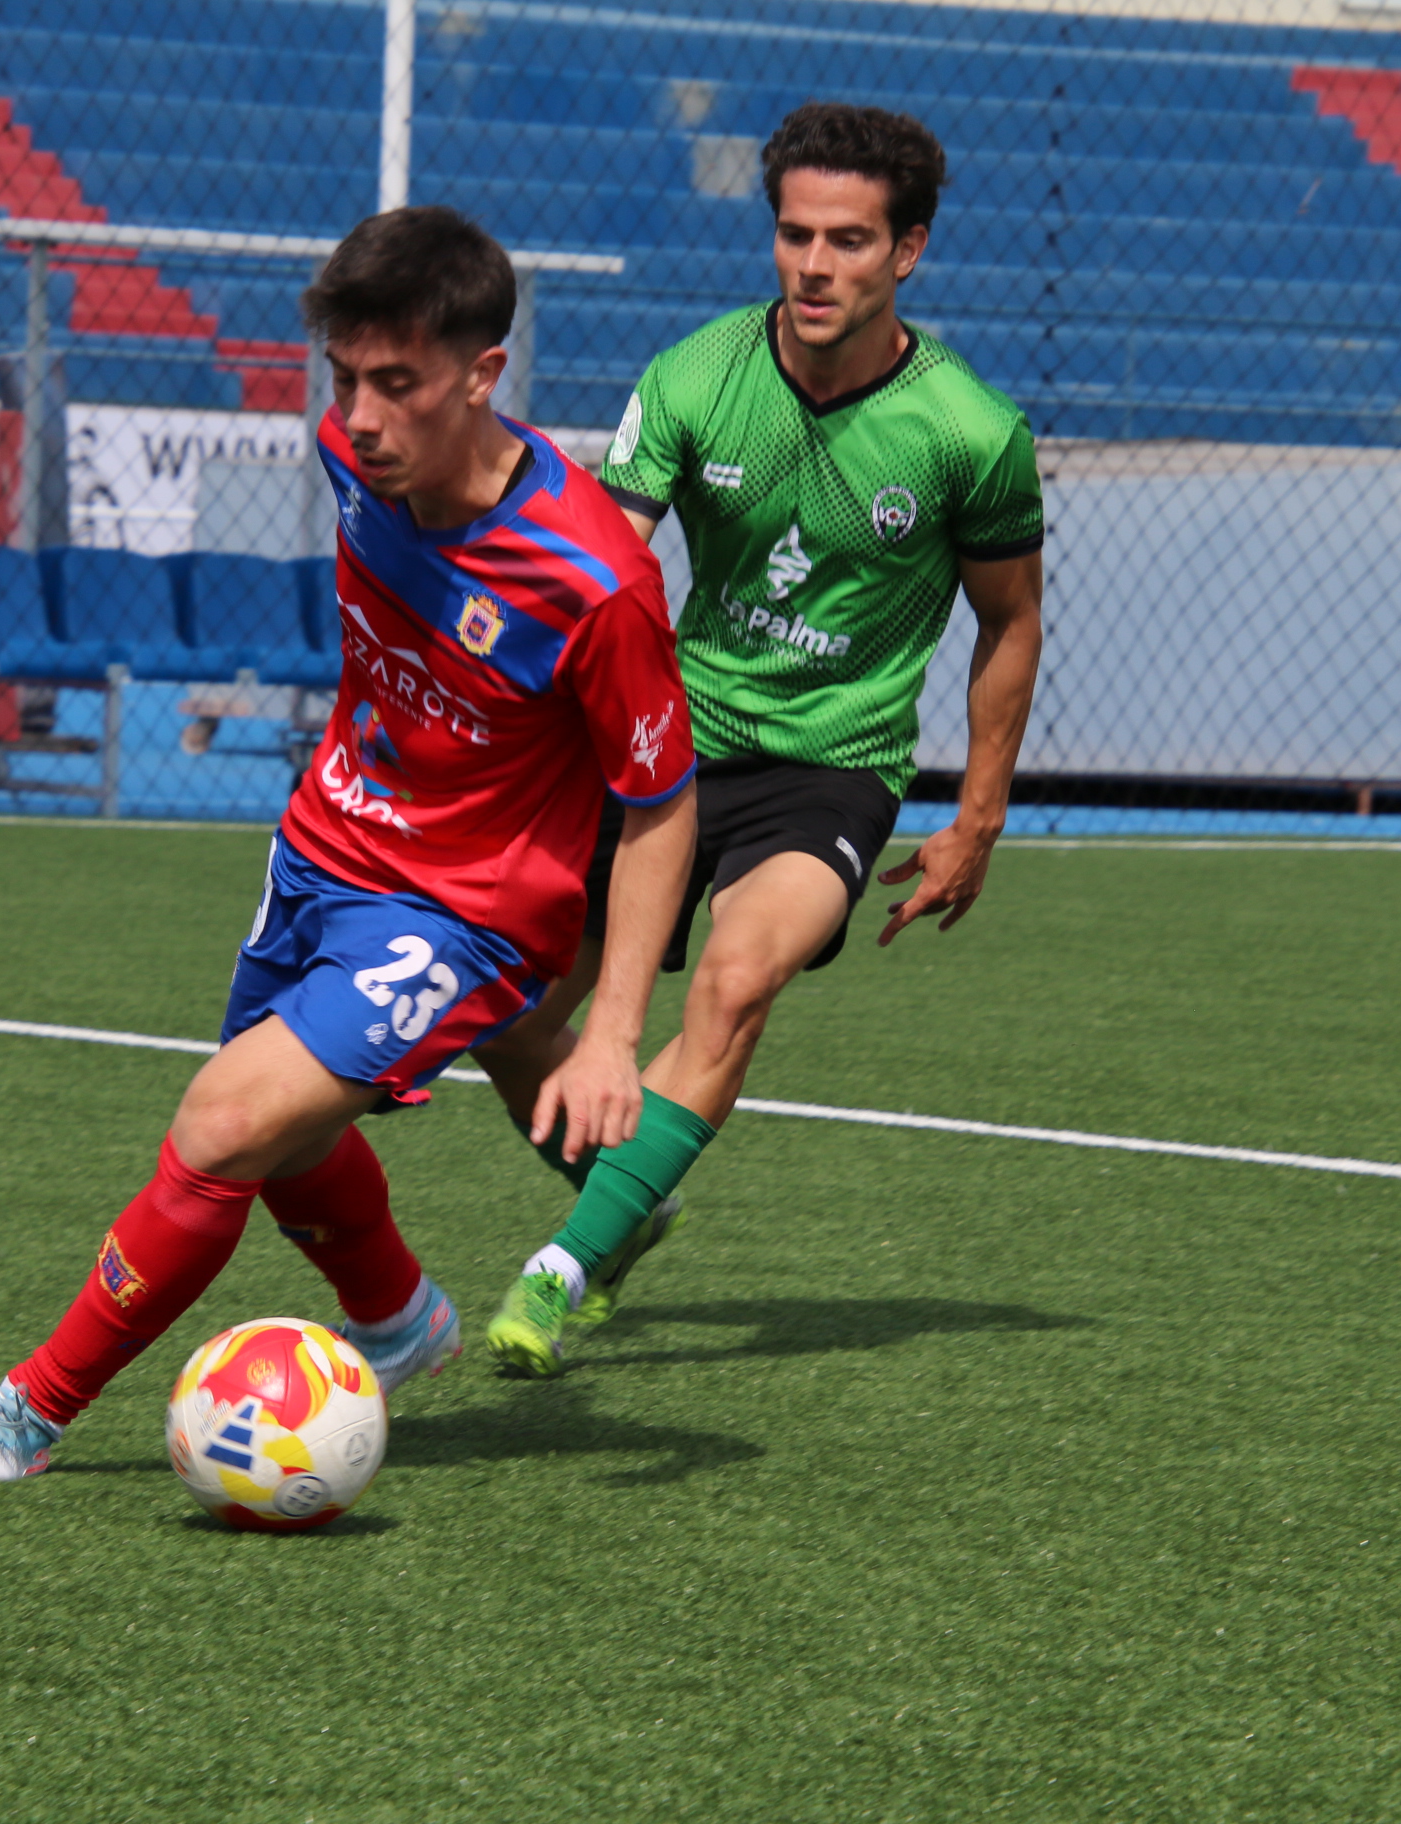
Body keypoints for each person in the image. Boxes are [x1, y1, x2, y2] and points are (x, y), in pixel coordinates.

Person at [0, 208, 698, 1479]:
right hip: (321, 851)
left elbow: (659, 802)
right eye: (345, 380)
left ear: (484, 377)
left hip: (465, 912)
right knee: (283, 1145)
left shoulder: (592, 580)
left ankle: (25, 1417)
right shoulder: (350, 458)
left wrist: (610, 1034)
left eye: (399, 384)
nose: (362, 416)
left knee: (222, 1124)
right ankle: (399, 1319)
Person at [463, 102, 1046, 1375]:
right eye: (795, 235)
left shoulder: (970, 431)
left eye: (849, 240)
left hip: (833, 769)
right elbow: (593, 570)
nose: (815, 265)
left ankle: (565, 1267)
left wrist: (978, 818)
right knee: (508, 1021)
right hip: (669, 748)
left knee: (736, 980)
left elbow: (1011, 623)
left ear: (911, 253)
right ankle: (637, 1199)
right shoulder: (693, 377)